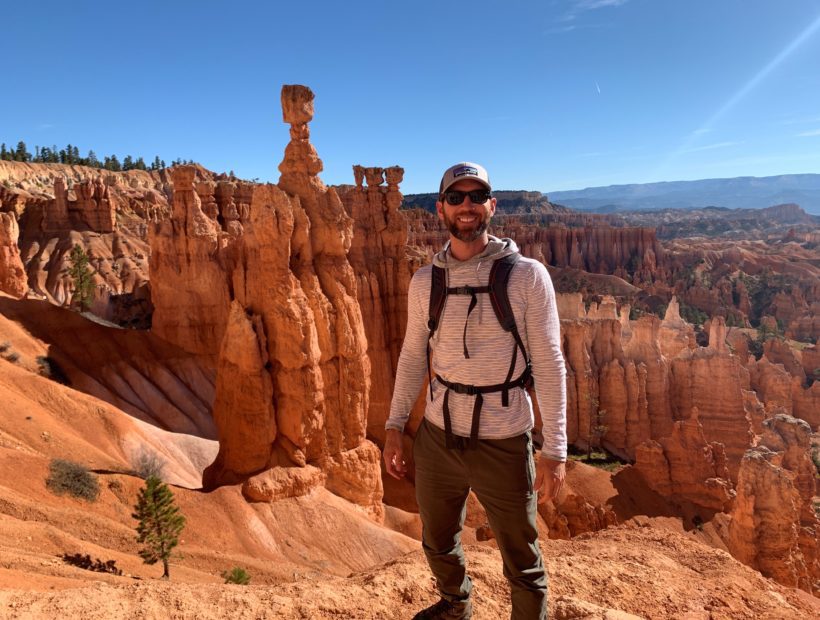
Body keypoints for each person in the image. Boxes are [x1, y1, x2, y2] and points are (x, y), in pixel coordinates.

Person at [382, 162, 567, 620]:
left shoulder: (527, 276)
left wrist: (555, 448)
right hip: (438, 435)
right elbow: (411, 358)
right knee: (438, 537)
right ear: (440, 208)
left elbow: (548, 364)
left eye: (476, 196)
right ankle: (454, 604)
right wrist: (393, 426)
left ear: (492, 205)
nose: (467, 206)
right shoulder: (427, 281)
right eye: (456, 197)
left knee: (521, 557)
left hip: (503, 438)